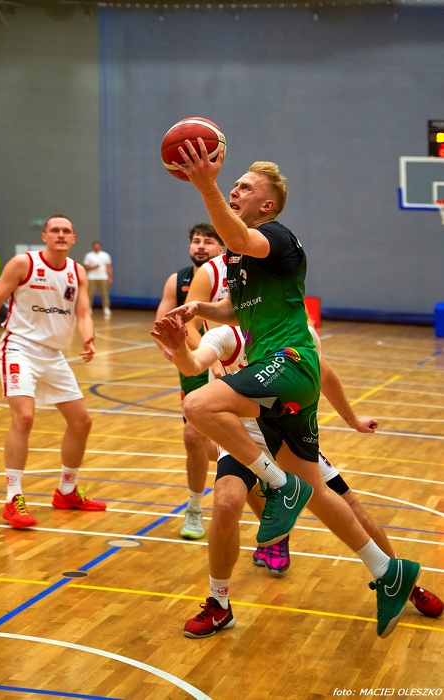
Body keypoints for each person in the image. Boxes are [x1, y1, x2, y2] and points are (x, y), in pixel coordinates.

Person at [165, 144, 421, 639]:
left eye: (244, 186)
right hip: (281, 386)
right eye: (232, 184)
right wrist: (198, 311)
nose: (234, 188)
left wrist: (205, 183)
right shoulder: (241, 263)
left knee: (197, 404)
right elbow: (233, 309)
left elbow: (235, 234)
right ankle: (388, 572)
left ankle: (279, 485)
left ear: (267, 205)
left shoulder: (277, 237)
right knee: (320, 494)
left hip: (291, 362)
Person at [151, 318, 443, 637]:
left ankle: (402, 584)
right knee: (225, 506)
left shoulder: (295, 331)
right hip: (243, 438)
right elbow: (193, 365)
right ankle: (219, 604)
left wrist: (352, 419)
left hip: (289, 436)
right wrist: (179, 348)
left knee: (349, 506)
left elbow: (325, 373)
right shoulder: (227, 335)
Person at [0, 215, 106, 529]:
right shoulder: (23, 264)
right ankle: (13, 499)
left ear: (73, 238)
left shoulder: (77, 271)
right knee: (24, 417)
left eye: (66, 231)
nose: (61, 235)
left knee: (81, 421)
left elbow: (83, 314)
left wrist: (88, 337)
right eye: (55, 230)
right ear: (45, 236)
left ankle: (67, 491)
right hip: (19, 348)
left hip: (53, 355)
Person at [153, 223, 224, 539]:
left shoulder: (232, 277)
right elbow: (162, 322)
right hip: (196, 365)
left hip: (235, 360)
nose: (200, 246)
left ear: (222, 248)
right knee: (193, 437)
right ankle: (194, 509)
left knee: (235, 440)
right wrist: (167, 345)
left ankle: (254, 468)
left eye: (208, 241)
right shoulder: (177, 279)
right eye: (196, 241)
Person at [83, 241, 113, 318]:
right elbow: (85, 266)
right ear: (93, 247)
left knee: (105, 294)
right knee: (89, 294)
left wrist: (110, 277)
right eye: (95, 246)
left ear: (100, 247)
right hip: (92, 278)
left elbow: (109, 267)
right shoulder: (89, 255)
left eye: (98, 246)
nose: (96, 247)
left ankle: (106, 309)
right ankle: (89, 308)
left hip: (103, 277)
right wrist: (93, 267)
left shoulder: (105, 255)